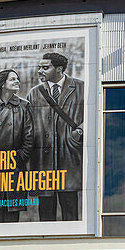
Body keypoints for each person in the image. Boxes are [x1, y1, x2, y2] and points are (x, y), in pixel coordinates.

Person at [26, 52, 84, 221]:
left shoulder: (80, 88)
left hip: (69, 157)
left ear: (59, 69)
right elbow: (28, 125)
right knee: (45, 214)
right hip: (43, 162)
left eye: (45, 67)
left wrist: (78, 132)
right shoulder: (34, 93)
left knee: (70, 210)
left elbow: (92, 116)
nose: (40, 71)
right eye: (39, 67)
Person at [0, 69, 34, 223]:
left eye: (18, 79)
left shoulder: (24, 106)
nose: (17, 81)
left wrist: (18, 158)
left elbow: (29, 138)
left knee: (13, 218)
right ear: (2, 84)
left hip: (16, 169)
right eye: (12, 79)